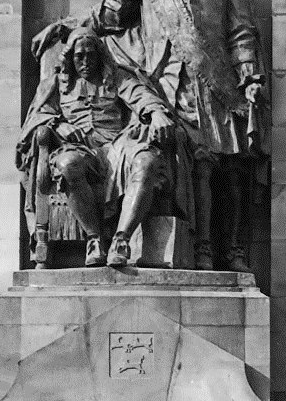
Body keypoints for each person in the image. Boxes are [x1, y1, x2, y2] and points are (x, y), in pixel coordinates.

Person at [33, 0, 268, 272]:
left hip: (216, 84)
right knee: (192, 166)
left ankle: (231, 249)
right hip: (165, 87)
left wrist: (251, 78)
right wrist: (65, 26)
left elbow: (241, 31)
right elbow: (108, 17)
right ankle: (192, 246)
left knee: (231, 168)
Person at [16, 26, 177, 269]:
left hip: (116, 146)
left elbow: (141, 95)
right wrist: (58, 125)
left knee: (147, 162)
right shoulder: (56, 85)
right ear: (70, 57)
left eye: (90, 55)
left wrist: (156, 113)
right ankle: (94, 239)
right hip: (80, 149)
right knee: (67, 164)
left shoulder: (115, 77)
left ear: (99, 55)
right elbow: (34, 121)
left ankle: (121, 240)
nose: (85, 62)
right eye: (79, 56)